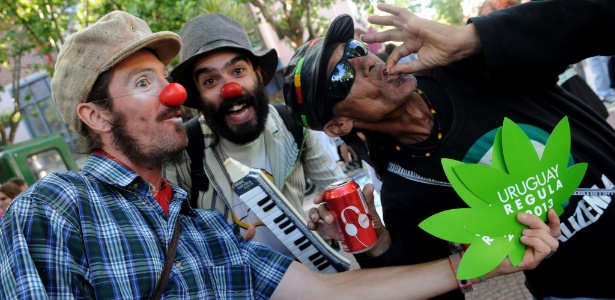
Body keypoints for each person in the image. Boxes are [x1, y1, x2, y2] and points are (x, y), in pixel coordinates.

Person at [0, 11, 560, 299]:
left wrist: (464, 267)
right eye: (146, 83)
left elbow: (324, 289)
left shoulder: (200, 231)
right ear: (95, 117)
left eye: (237, 70)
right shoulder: (54, 209)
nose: (173, 95)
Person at [283, 2, 615, 299]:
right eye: (341, 76)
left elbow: (599, 18)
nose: (366, 63)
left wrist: (470, 38)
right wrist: (378, 245)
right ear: (338, 126)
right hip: (577, 289)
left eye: (355, 50)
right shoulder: (406, 189)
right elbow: (435, 289)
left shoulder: (466, 67)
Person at [164, 13, 346, 258]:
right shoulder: (183, 147)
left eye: (238, 70)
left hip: (307, 272)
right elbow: (171, 241)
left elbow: (338, 188)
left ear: (258, 74)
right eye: (210, 81)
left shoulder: (291, 125)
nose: (230, 89)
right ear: (198, 96)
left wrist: (335, 218)